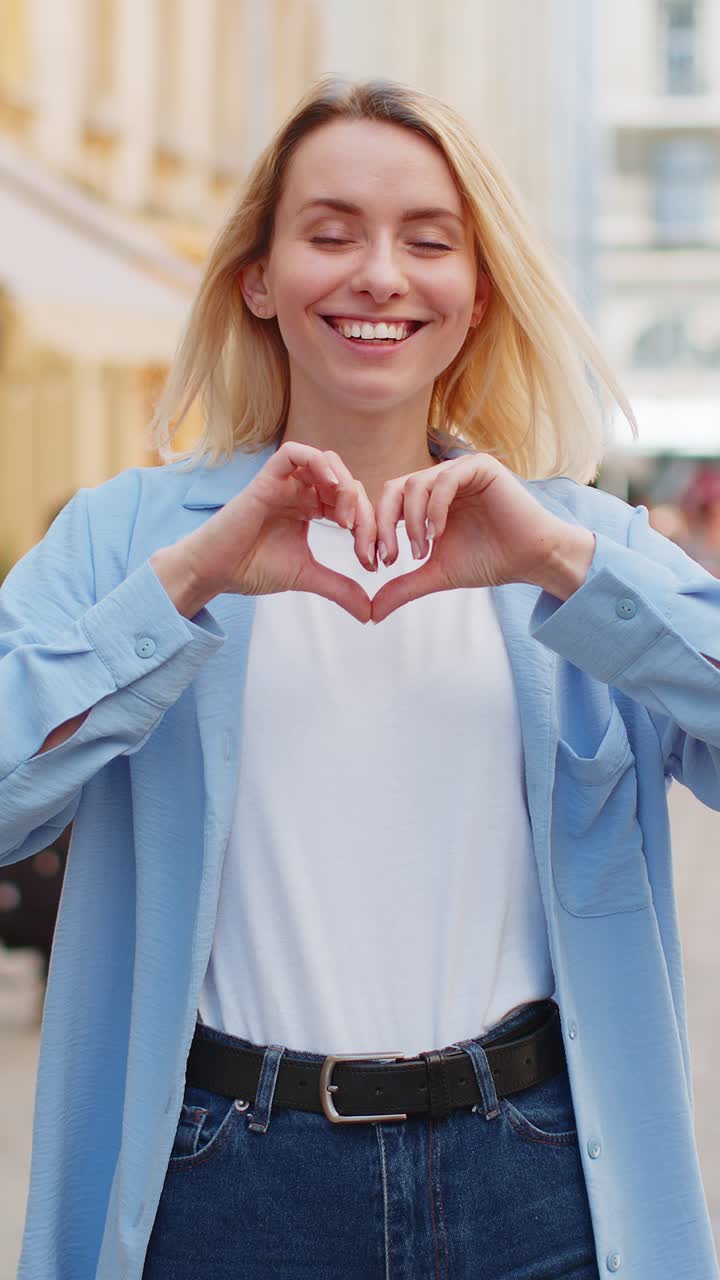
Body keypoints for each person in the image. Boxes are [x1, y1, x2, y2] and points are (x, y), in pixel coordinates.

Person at [2, 76, 719, 1280]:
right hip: (222, 1182)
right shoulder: (125, 540)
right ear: (260, 277)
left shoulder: (582, 547)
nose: (380, 274)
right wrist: (184, 586)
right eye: (329, 233)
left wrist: (562, 564)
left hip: (537, 1179)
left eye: (427, 241)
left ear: (477, 292)